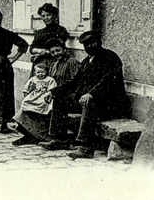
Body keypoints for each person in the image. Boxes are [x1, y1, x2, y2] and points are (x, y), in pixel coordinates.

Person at [40, 31, 130, 159]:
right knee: (60, 99)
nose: (89, 47)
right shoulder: (87, 61)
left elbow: (108, 81)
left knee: (90, 102)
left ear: (99, 42)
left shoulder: (110, 58)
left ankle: (85, 147)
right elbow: (74, 81)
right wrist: (53, 91)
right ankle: (60, 139)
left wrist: (91, 94)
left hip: (111, 104)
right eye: (86, 45)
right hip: (93, 101)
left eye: (92, 43)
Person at [13, 38, 81, 145]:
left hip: (67, 96)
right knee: (29, 103)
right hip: (53, 94)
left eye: (58, 50)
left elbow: (75, 83)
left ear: (64, 49)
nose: (55, 54)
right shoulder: (54, 63)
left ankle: (42, 137)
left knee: (41, 105)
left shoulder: (71, 62)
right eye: (53, 52)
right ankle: (30, 134)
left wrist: (56, 92)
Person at [28, 3, 70, 76]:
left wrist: (46, 52)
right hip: (40, 64)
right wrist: (41, 51)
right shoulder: (40, 32)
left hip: (54, 62)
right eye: (43, 16)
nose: (46, 18)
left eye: (48, 15)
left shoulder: (60, 30)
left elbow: (59, 48)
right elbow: (31, 49)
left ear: (54, 15)